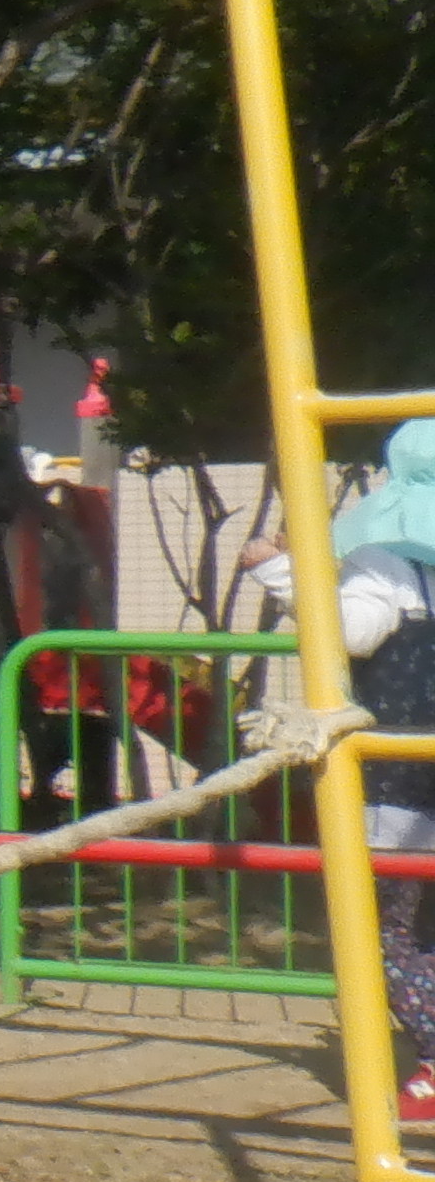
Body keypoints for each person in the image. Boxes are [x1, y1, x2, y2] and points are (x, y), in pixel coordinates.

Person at [247, 424, 435, 1129]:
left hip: (401, 775)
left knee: (387, 925)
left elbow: (349, 632)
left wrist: (280, 572)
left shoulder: (388, 562)